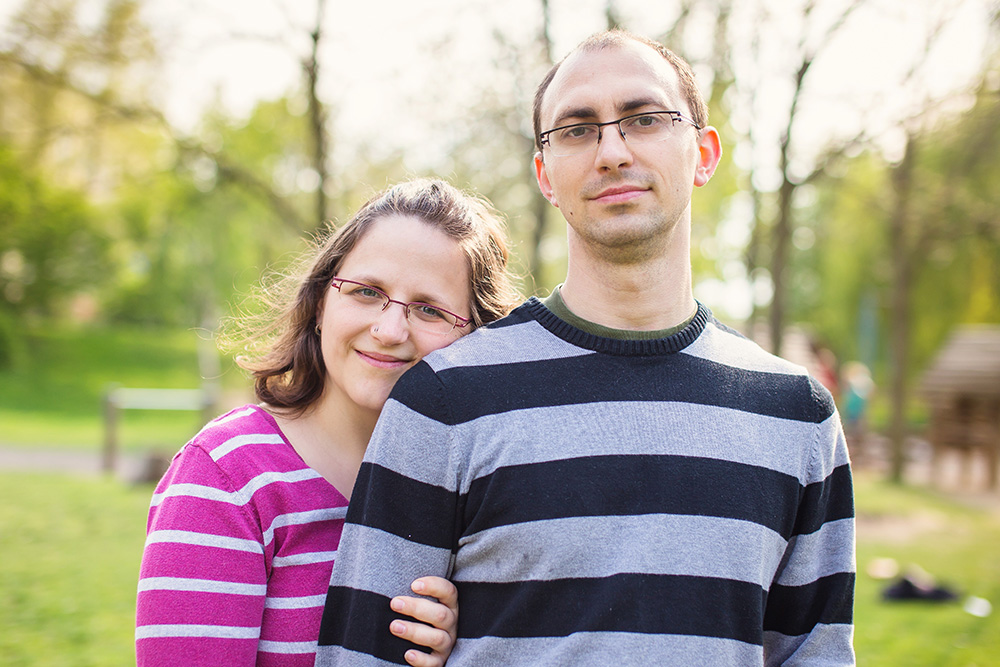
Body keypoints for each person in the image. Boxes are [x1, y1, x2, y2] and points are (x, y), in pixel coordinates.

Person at [316, 29, 855, 666]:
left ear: (704, 153)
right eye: (577, 129)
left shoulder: (796, 415)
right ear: (545, 174)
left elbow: (813, 655)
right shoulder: (444, 401)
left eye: (644, 118)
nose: (612, 151)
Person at [135, 179, 521, 667]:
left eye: (429, 309)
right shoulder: (226, 477)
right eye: (366, 292)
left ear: (475, 339)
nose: (389, 330)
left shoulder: (471, 493)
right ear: (321, 302)